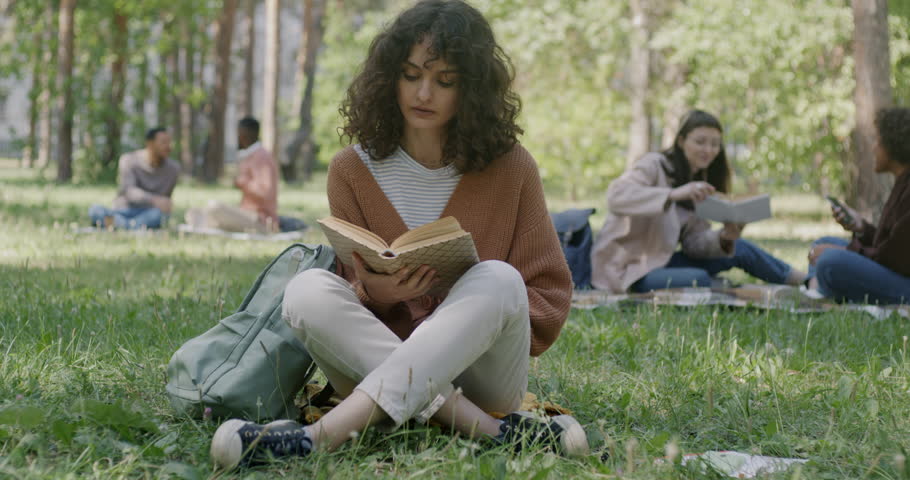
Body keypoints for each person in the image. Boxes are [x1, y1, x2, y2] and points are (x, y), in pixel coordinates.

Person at [209, 0, 587, 469]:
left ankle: (316, 438)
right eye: (411, 75)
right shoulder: (351, 169)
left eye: (444, 80)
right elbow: (349, 292)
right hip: (373, 360)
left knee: (499, 278)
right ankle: (492, 432)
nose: (423, 92)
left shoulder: (512, 168)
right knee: (307, 288)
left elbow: (547, 295)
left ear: (471, 89)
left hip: (481, 375)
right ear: (389, 78)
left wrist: (463, 312)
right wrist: (376, 293)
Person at [590, 110, 807, 293]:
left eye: (714, 144)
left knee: (740, 248)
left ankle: (805, 282)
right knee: (698, 278)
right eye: (700, 142)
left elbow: (693, 244)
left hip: (661, 261)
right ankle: (730, 289)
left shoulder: (700, 184)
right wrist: (673, 194)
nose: (708, 150)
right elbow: (615, 196)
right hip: (626, 269)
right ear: (682, 141)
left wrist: (723, 237)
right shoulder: (654, 165)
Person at [806, 107, 910, 304]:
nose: (873, 148)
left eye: (878, 142)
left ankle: (818, 290)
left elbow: (895, 259)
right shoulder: (902, 182)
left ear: (893, 145)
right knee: (823, 243)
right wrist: (861, 227)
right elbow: (890, 242)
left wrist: (849, 252)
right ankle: (816, 290)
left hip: (904, 285)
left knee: (830, 261)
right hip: (894, 269)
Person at [185, 117, 280, 233]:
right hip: (247, 215)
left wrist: (242, 182)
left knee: (215, 207)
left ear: (245, 134)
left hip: (262, 221)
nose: (238, 138)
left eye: (239, 134)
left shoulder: (262, 157)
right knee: (193, 213)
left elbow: (266, 192)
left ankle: (213, 223)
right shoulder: (251, 156)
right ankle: (213, 223)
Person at [88, 127, 179, 230]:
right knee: (95, 210)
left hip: (149, 214)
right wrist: (154, 199)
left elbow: (165, 200)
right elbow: (129, 191)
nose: (168, 146)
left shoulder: (173, 169)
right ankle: (132, 227)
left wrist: (166, 204)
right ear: (150, 144)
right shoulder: (129, 160)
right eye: (163, 142)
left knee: (159, 216)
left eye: (169, 142)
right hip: (123, 210)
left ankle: (119, 226)